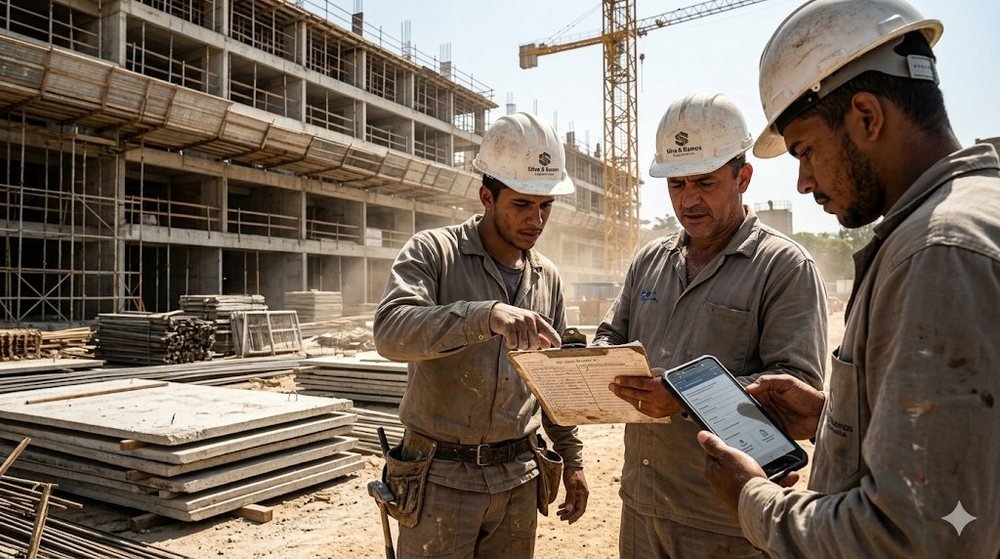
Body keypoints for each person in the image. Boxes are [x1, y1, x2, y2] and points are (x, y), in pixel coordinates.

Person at [697, 0, 1000, 557]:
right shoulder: (971, 218)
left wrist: (753, 500)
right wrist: (835, 421)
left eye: (805, 150)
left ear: (866, 116)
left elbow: (919, 535)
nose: (804, 183)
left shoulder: (937, 252)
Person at [597, 92, 828, 558]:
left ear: (743, 177)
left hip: (725, 522)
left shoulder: (783, 267)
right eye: (677, 185)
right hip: (642, 507)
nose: (690, 199)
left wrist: (681, 397)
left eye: (704, 182)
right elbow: (611, 336)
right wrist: (584, 363)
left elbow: (796, 389)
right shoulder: (650, 260)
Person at [373, 112, 589, 558]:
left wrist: (573, 459)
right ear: (486, 196)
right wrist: (483, 316)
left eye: (545, 206)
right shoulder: (433, 252)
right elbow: (391, 332)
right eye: (522, 205)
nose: (536, 220)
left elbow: (554, 383)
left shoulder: (547, 278)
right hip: (440, 480)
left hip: (518, 479)